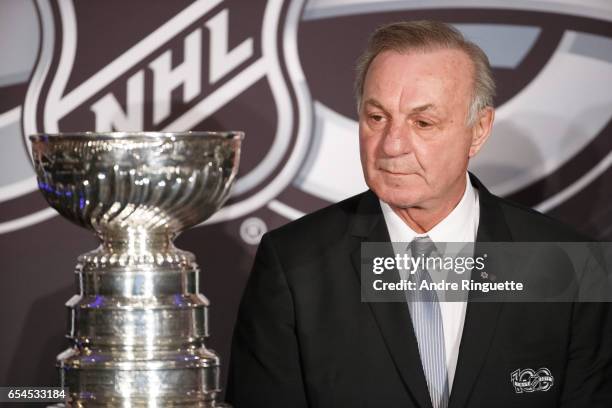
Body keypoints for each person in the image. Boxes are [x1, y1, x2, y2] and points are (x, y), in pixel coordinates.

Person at [226, 21, 612, 407]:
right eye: (377, 118)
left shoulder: (568, 265)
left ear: (478, 130)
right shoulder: (293, 265)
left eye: (422, 123)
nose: (392, 145)